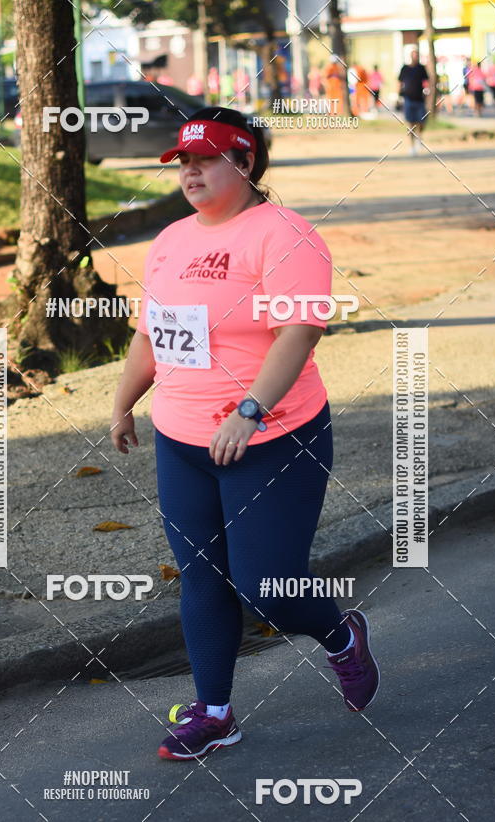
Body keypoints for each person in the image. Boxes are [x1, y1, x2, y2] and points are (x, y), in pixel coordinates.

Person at [110, 107, 380, 761]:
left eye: (206, 159)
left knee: (267, 587)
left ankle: (342, 636)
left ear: (246, 161)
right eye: (183, 162)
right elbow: (151, 336)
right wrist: (123, 404)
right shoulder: (171, 239)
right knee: (201, 576)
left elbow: (299, 333)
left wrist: (250, 409)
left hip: (272, 440)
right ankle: (214, 713)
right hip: (181, 442)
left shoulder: (284, 234)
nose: (191, 172)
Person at [398, 49, 429, 155]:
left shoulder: (421, 68)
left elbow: (426, 82)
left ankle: (419, 138)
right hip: (408, 99)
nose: (415, 57)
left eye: (417, 55)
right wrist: (398, 96)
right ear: (410, 56)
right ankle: (412, 146)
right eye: (414, 55)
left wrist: (427, 93)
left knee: (422, 122)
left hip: (420, 99)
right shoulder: (405, 68)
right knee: (411, 124)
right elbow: (399, 82)